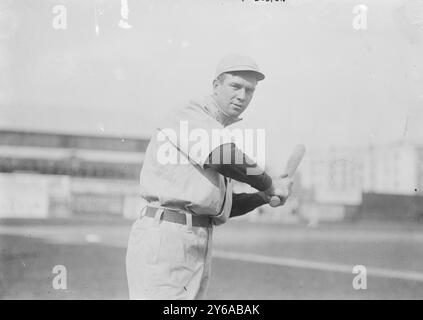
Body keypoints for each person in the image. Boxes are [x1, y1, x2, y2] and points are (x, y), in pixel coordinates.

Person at [126, 53, 293, 300]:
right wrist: (270, 183)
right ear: (216, 85)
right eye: (235, 86)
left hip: (196, 238)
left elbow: (221, 206)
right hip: (167, 237)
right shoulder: (191, 112)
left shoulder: (215, 131)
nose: (242, 96)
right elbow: (223, 157)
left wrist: (263, 196)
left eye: (250, 90)